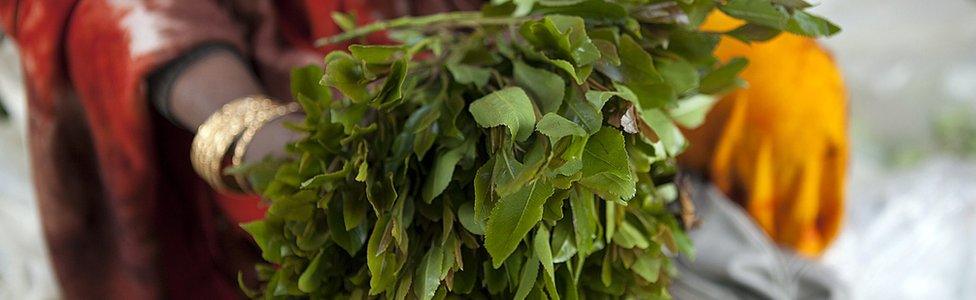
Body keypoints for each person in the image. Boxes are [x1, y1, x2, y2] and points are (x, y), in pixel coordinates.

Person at [0, 0, 846, 298]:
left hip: (497, 30)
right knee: (376, 231)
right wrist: (248, 127)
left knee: (779, 88)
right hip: (282, 65)